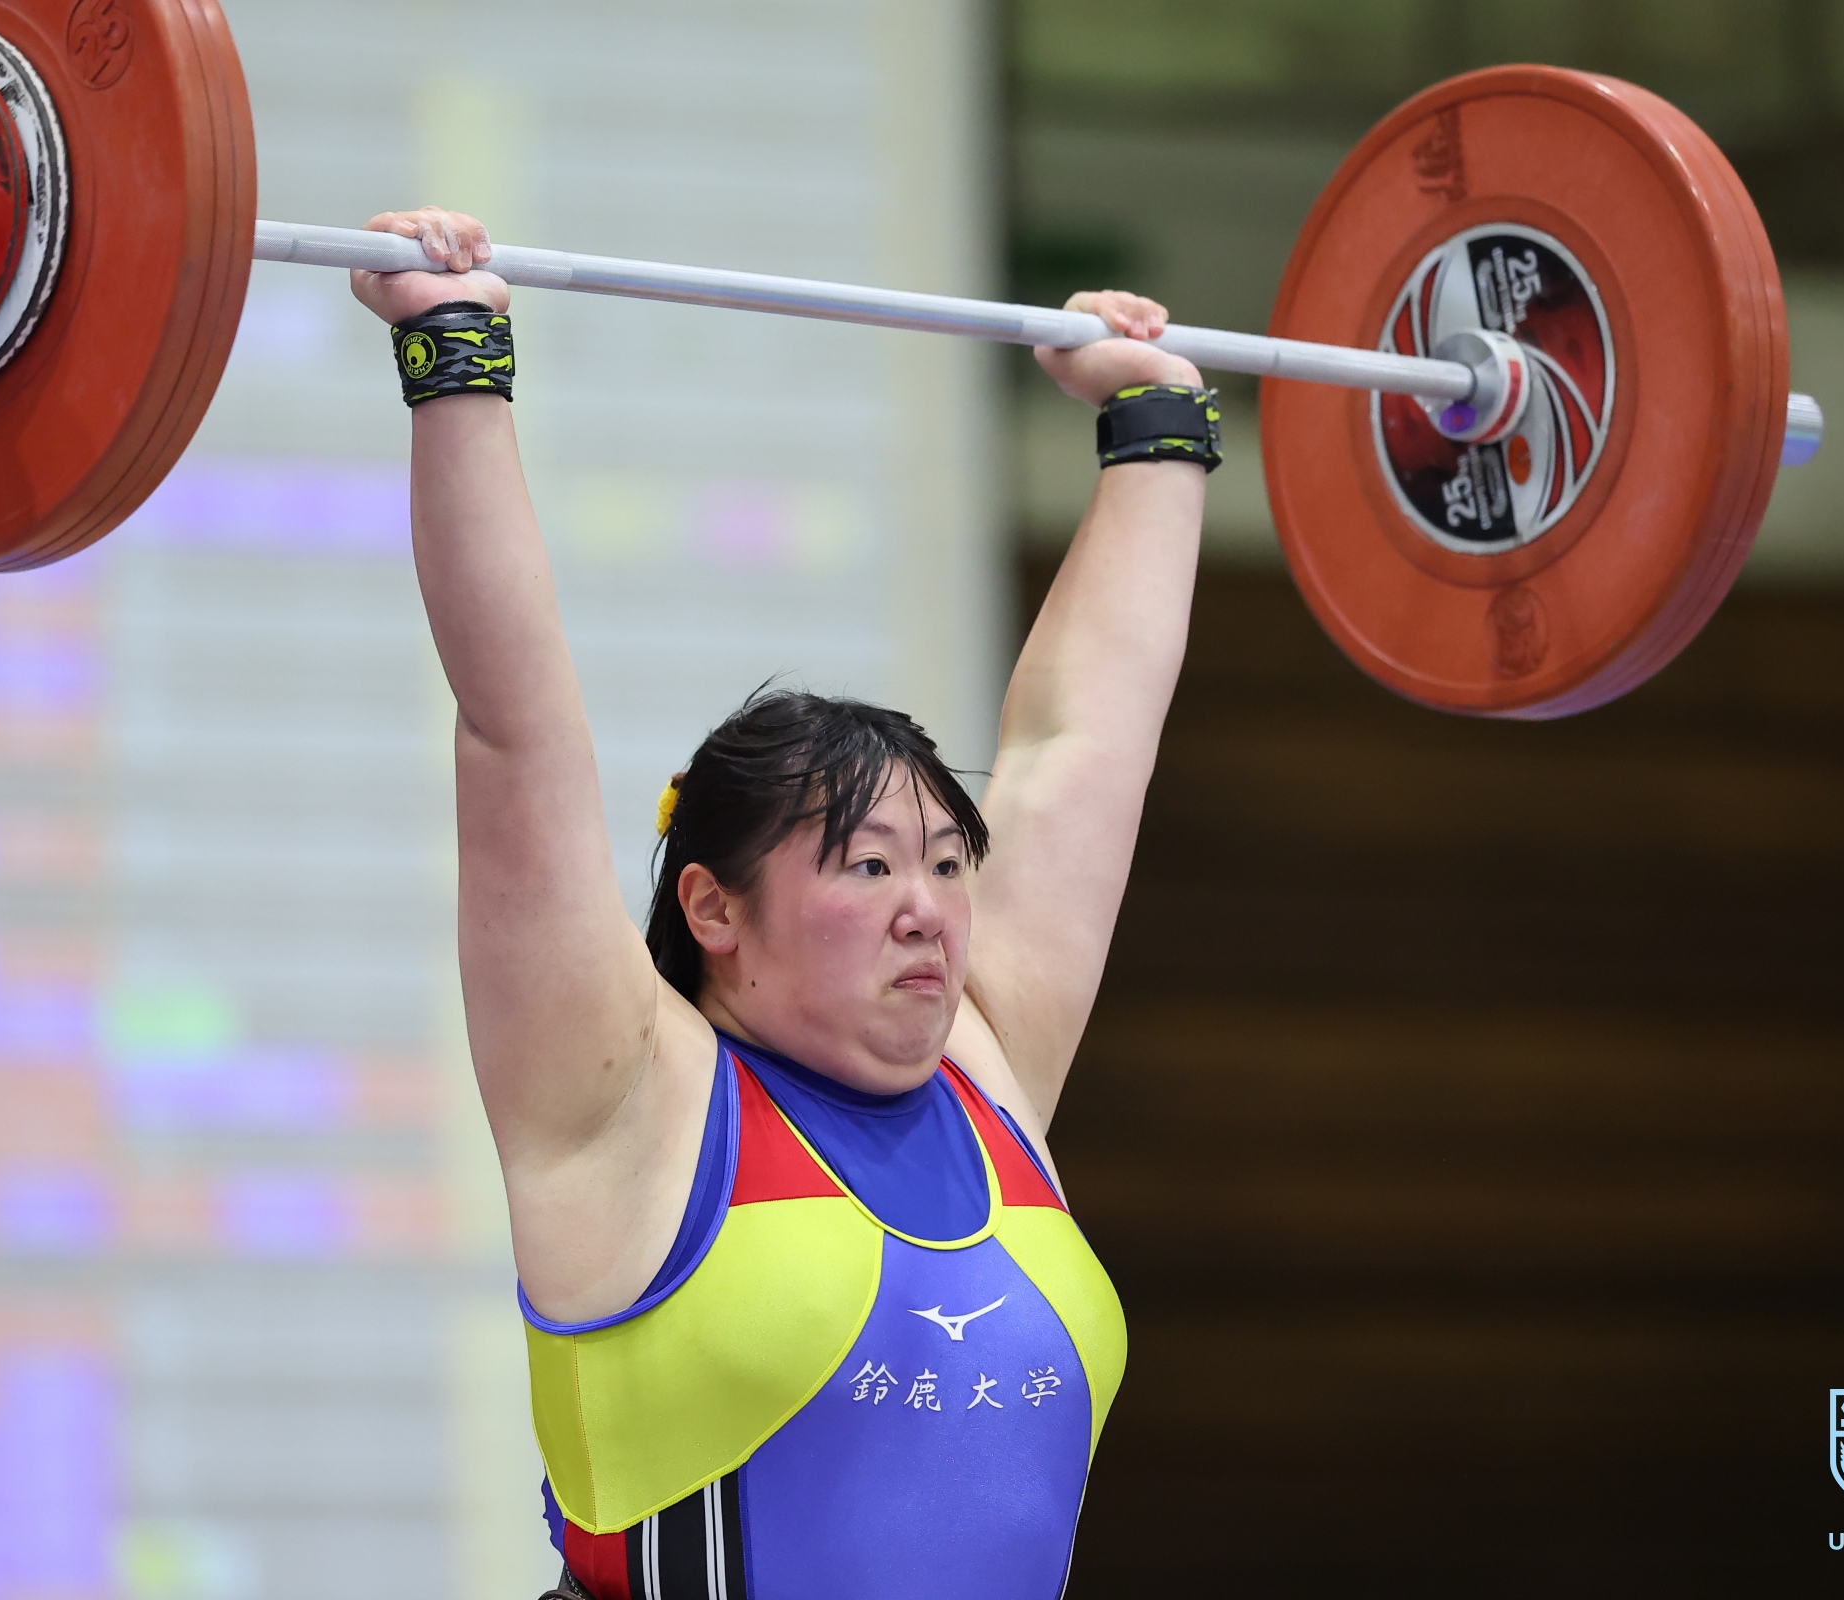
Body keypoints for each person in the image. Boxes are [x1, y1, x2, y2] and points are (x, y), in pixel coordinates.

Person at [352, 206, 1216, 1600]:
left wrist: (1157, 427)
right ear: (714, 909)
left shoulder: (987, 1063)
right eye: (870, 867)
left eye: (947, 865)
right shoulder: (627, 1104)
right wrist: (456, 356)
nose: (929, 909)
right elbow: (515, 732)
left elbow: (1086, 745)